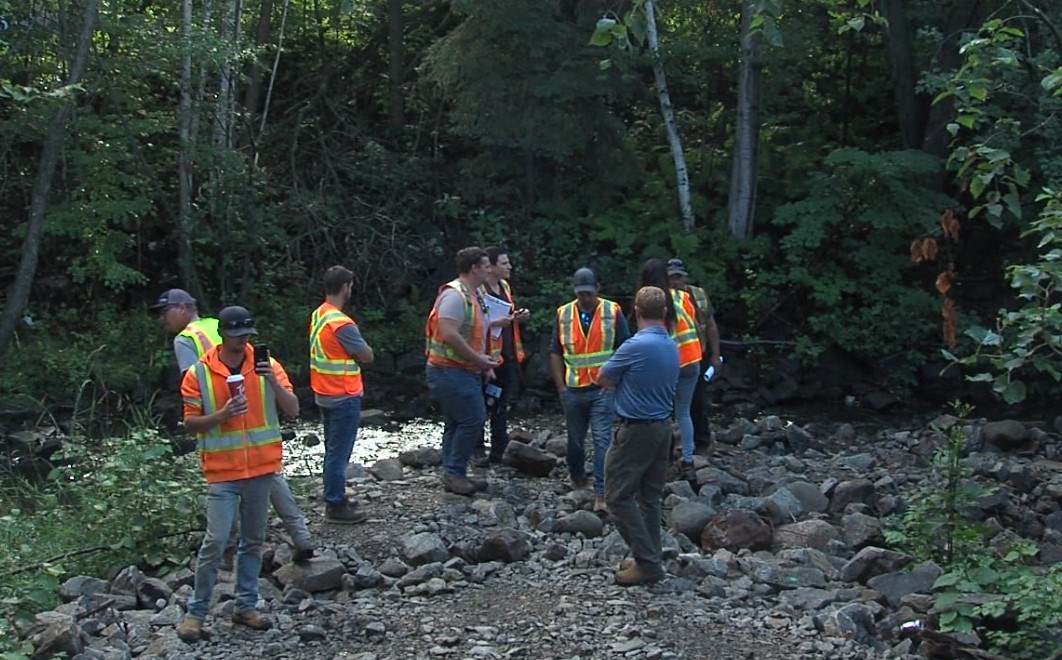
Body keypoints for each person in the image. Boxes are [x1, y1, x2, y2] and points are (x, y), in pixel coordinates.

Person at [151, 290, 314, 564]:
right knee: (269, 475)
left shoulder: (185, 339)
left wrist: (215, 411)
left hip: (227, 419)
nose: (161, 319)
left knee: (240, 483)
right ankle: (301, 538)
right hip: (253, 414)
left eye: (164, 312)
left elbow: (191, 386)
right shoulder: (213, 324)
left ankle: (229, 548)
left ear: (181, 308)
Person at [176, 306, 300, 642]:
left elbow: (293, 410)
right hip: (222, 472)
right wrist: (222, 415)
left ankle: (245, 605)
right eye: (237, 335)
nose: (243, 341)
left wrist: (271, 380)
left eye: (247, 335)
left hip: (261, 468)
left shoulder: (267, 366)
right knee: (216, 541)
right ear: (224, 335)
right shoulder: (198, 374)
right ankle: (196, 613)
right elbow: (189, 423)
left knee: (253, 542)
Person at [599, 286, 680, 586]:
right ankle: (651, 555)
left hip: (635, 429)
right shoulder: (671, 345)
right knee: (650, 497)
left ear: (636, 311)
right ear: (665, 313)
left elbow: (603, 377)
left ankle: (647, 562)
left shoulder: (635, 346)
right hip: (662, 428)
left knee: (617, 497)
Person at [550, 267, 630, 513]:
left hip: (601, 390)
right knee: (575, 441)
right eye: (580, 293)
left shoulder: (612, 312)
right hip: (573, 389)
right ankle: (576, 476)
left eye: (588, 293)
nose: (585, 298)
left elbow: (625, 348)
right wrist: (561, 388)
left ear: (598, 288)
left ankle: (601, 494)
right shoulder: (564, 314)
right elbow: (555, 351)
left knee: (602, 439)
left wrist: (615, 380)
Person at [425, 247, 499, 495]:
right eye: (486, 266)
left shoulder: (474, 294)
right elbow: (449, 334)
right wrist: (479, 360)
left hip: (462, 370)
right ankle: (455, 473)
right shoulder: (455, 296)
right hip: (449, 370)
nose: (490, 270)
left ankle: (453, 472)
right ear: (475, 269)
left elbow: (476, 332)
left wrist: (482, 365)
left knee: (457, 422)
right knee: (473, 419)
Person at [310, 266, 375, 524]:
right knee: (338, 455)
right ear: (346, 287)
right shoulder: (341, 323)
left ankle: (335, 497)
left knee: (332, 451)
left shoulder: (319, 314)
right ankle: (336, 504)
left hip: (324, 392)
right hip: (343, 394)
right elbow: (367, 355)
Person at [638, 259, 702, 477]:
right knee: (684, 412)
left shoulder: (654, 302)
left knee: (662, 412)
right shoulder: (684, 297)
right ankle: (688, 460)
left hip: (670, 364)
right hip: (693, 360)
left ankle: (660, 458)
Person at [473, 246, 530, 466]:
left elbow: (506, 313)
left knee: (501, 403)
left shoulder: (504, 286)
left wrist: (518, 317)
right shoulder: (479, 290)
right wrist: (496, 323)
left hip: (507, 355)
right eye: (504, 263)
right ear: (493, 267)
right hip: (485, 356)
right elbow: (476, 322)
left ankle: (499, 449)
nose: (509, 267)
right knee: (480, 403)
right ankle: (477, 450)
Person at [666, 258, 722, 446]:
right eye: (672, 278)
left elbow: (711, 326)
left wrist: (715, 355)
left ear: (685, 277)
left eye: (678, 277)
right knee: (670, 406)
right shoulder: (664, 298)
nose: (675, 281)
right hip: (671, 359)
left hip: (697, 356)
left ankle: (702, 442)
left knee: (697, 403)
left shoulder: (698, 295)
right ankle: (671, 444)